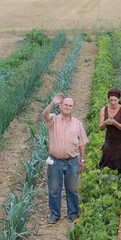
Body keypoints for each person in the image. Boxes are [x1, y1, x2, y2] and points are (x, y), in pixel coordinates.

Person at [41, 93, 89, 224]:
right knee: (54, 189)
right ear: (60, 106)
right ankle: (54, 214)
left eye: (70, 106)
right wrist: (52, 103)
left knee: (72, 189)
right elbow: (44, 114)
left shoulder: (77, 124)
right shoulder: (53, 120)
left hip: (72, 161)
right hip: (55, 160)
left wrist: (82, 160)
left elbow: (82, 143)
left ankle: (73, 213)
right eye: (65, 105)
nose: (68, 107)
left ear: (73, 109)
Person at [97, 88, 121, 174]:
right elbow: (101, 127)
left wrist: (115, 123)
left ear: (119, 99)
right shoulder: (104, 110)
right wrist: (105, 123)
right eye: (111, 100)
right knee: (107, 162)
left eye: (115, 100)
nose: (113, 102)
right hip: (109, 140)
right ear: (108, 100)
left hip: (120, 141)